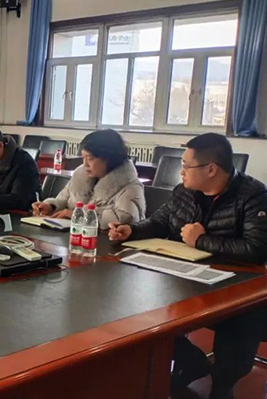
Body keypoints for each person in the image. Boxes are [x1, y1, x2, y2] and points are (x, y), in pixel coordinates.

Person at [108, 133, 267, 399]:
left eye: (186, 165)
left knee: (242, 318)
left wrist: (201, 241)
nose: (181, 171)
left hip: (235, 283)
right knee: (137, 303)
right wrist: (131, 230)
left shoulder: (253, 195)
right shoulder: (184, 191)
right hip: (186, 276)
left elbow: (257, 249)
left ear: (211, 169)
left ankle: (223, 384)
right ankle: (189, 360)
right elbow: (160, 222)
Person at [32, 129, 145, 225]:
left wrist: (78, 215)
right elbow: (62, 199)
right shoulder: (80, 176)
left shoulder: (130, 186)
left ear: (108, 158)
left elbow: (126, 219)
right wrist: (50, 207)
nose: (85, 164)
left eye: (90, 159)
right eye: (83, 158)